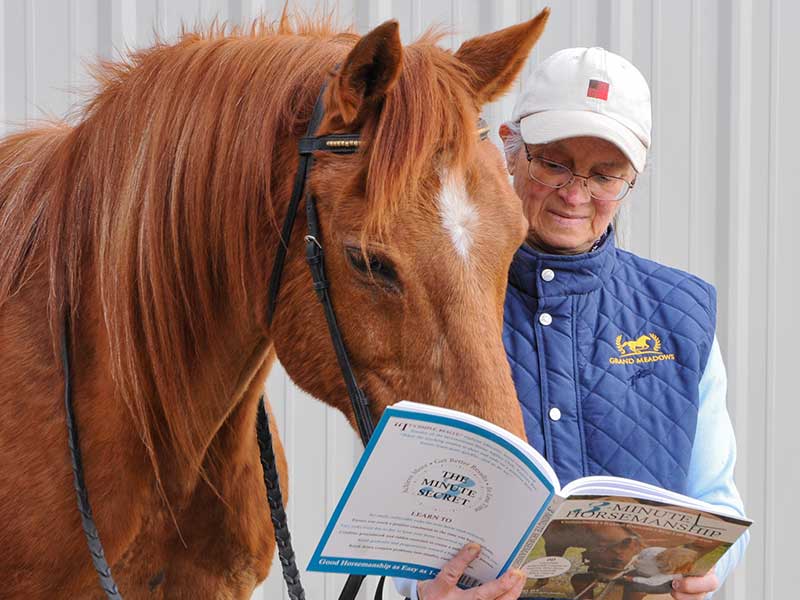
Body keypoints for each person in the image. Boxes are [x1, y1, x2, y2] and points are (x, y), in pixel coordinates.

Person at [393, 47, 749, 600]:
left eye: (606, 175)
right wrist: (420, 594)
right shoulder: (449, 299)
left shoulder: (682, 311)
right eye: (554, 163)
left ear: (633, 177)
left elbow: (718, 502)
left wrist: (710, 571)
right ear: (510, 149)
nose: (576, 194)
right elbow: (404, 509)